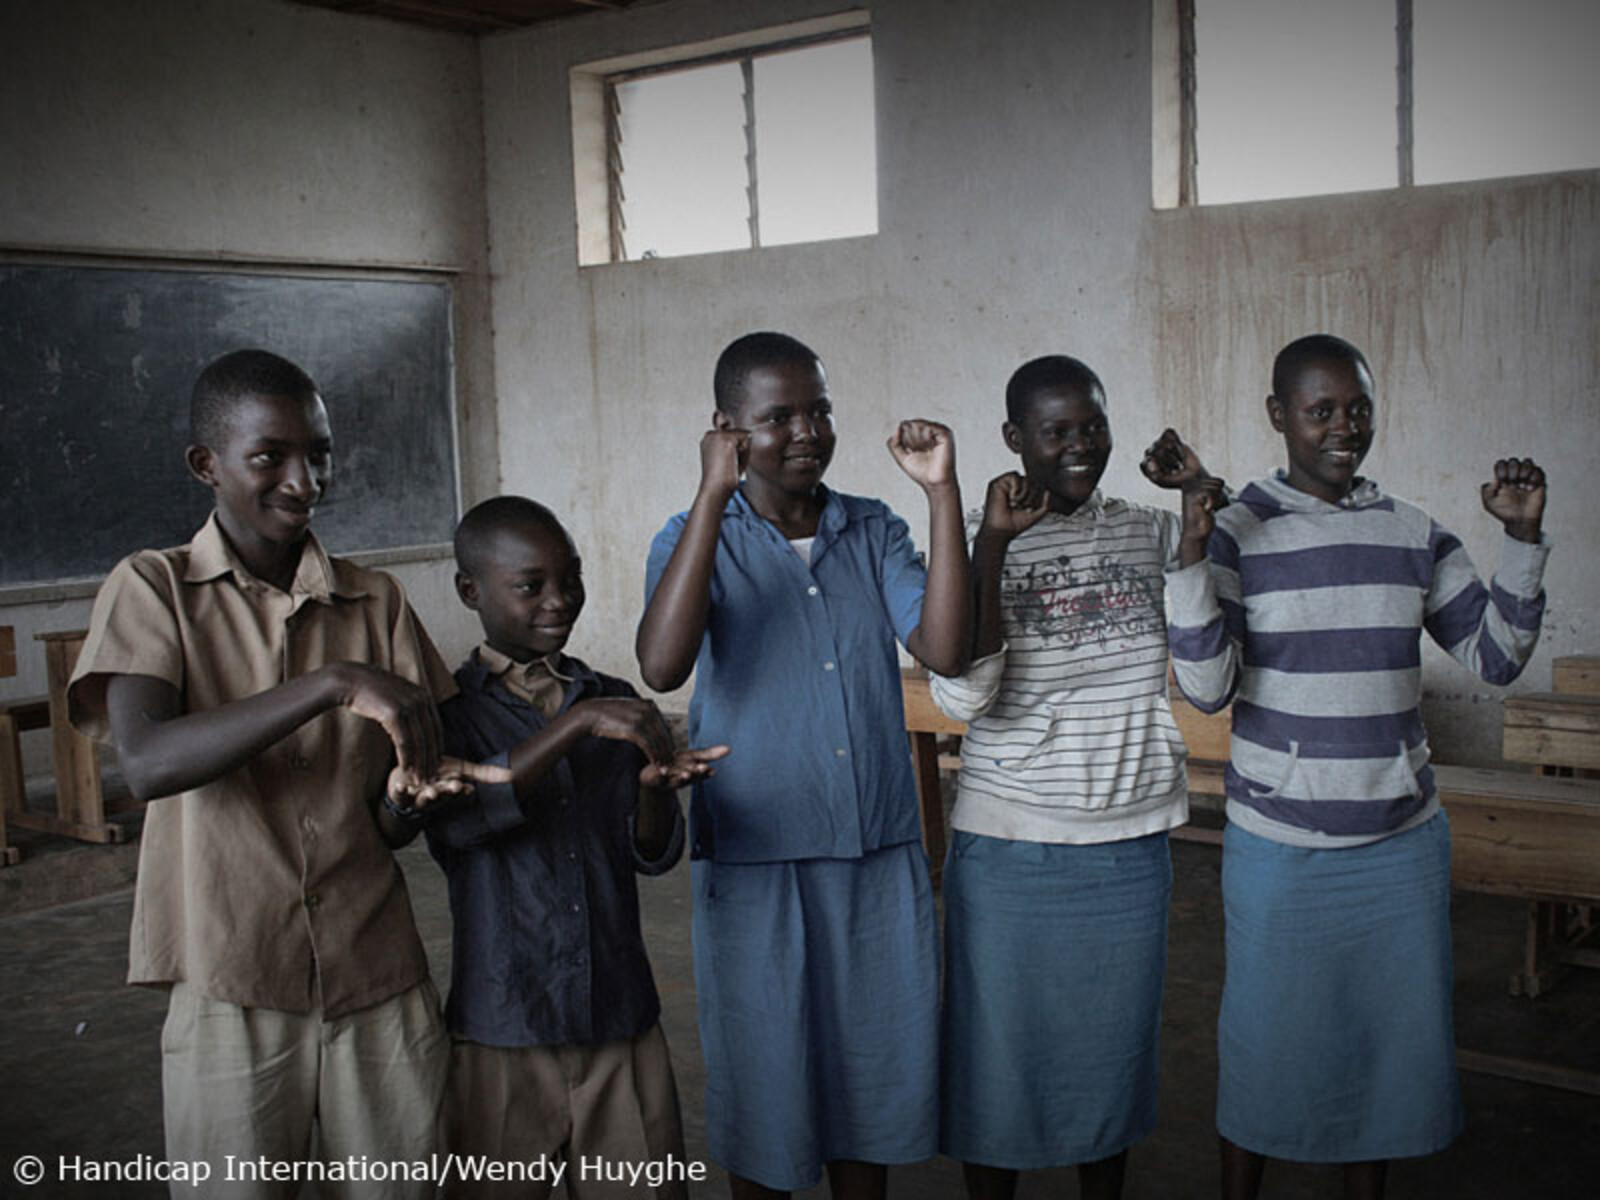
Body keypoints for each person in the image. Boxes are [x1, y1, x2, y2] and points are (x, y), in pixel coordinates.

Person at [67, 349, 500, 1199]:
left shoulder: (373, 602)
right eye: (271, 456)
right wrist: (331, 683)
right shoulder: (154, 588)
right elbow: (150, 762)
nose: (305, 481)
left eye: (322, 453)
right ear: (208, 465)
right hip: (234, 981)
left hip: (375, 974)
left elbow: (386, 817)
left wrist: (408, 802)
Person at [1151, 333, 1550, 1200]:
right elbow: (1207, 689)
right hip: (1281, 848)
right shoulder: (1237, 533)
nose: (1344, 427)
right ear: (1278, 417)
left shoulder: (1414, 532)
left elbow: (1495, 659)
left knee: (1378, 1057)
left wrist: (1521, 541)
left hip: (1399, 848)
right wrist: (1190, 546)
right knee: (1264, 1045)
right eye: (1321, 410)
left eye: (1358, 408)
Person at [635, 331, 971, 1199]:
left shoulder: (871, 526)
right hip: (757, 850)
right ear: (727, 428)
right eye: (777, 416)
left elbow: (945, 645)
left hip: (875, 843)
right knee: (766, 1077)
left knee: (871, 1073)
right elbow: (663, 666)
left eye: (817, 408)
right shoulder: (688, 535)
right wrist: (713, 496)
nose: (806, 430)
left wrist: (941, 494)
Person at [931, 355, 1222, 1200]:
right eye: (1055, 431)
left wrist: (1196, 508)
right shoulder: (979, 542)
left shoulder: (1148, 529)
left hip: (1130, 845)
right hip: (1011, 844)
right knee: (999, 1060)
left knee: (1113, 1055)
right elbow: (964, 697)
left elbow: (1207, 683)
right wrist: (989, 543)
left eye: (1091, 426)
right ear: (1015, 440)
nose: (1078, 446)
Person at [412, 496, 727, 1199]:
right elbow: (462, 825)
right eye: (530, 586)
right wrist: (575, 726)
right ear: (471, 591)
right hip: (504, 1024)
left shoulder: (611, 697)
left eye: (572, 580)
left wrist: (652, 790)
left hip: (617, 1014)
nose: (559, 601)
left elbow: (650, 855)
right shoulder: (450, 718)